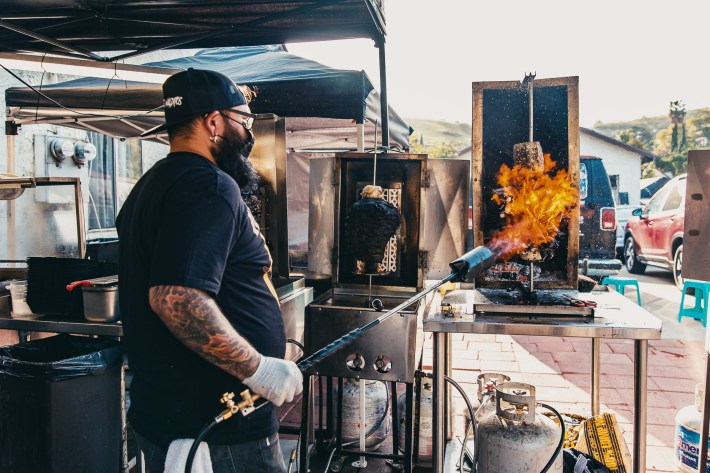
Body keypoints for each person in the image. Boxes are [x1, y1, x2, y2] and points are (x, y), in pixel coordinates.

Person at [117, 68, 302, 473]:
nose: (248, 134)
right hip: (214, 432)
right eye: (244, 121)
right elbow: (176, 298)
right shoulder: (209, 186)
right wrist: (258, 368)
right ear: (213, 122)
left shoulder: (150, 185)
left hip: (172, 415)